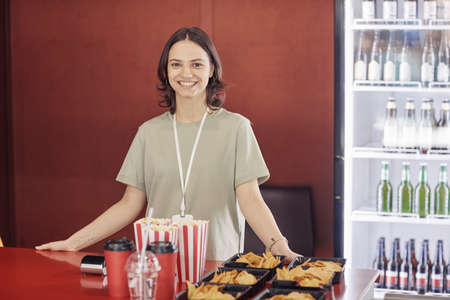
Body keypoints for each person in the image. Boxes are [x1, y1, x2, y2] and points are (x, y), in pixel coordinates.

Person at [36, 27, 300, 262]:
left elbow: (251, 200)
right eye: (176, 64)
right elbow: (129, 203)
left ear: (211, 71)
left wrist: (279, 246)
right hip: (158, 267)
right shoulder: (148, 132)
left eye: (197, 64)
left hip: (217, 270)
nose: (186, 73)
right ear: (166, 72)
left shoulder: (236, 128)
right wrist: (73, 242)